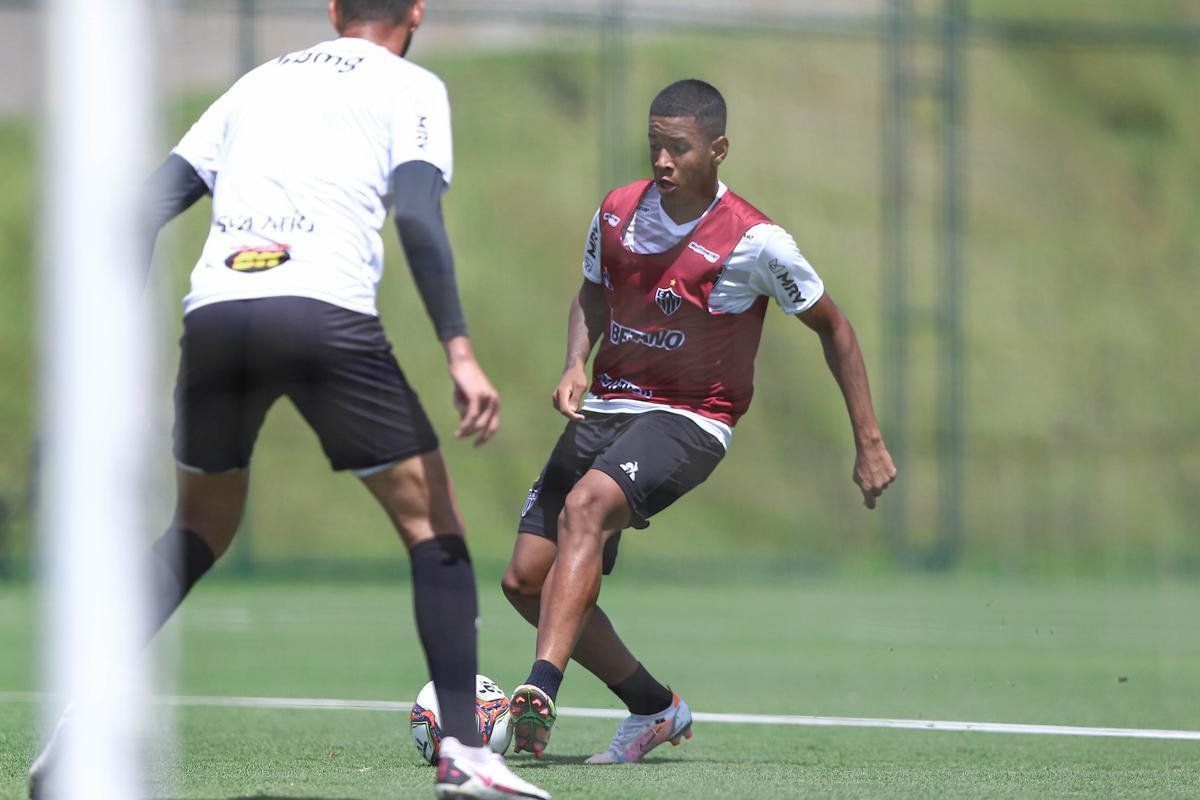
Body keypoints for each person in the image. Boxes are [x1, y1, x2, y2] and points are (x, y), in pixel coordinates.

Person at [28, 2, 548, 799]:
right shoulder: (411, 85)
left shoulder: (255, 82)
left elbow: (139, 211)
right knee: (432, 525)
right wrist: (460, 350)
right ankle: (466, 753)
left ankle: (86, 717)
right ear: (416, 11)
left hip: (218, 315)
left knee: (199, 525)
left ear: (334, 10)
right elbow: (414, 211)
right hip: (322, 312)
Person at [501, 79, 897, 763]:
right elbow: (592, 295)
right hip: (608, 406)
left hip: (690, 420)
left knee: (588, 506)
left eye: (677, 148)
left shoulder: (757, 241)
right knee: (524, 580)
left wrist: (868, 442)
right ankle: (656, 708)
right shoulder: (617, 212)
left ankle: (539, 689)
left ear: (717, 150)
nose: (662, 161)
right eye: (655, 145)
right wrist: (574, 362)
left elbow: (835, 330)